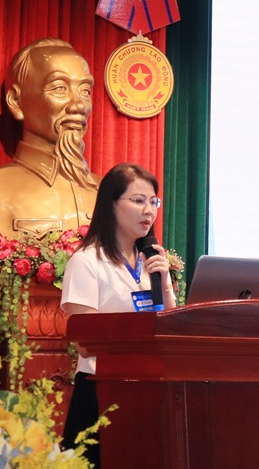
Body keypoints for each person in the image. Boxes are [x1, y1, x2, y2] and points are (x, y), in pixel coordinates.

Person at [60, 162, 176, 466]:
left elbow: (172, 328)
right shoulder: (87, 262)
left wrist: (165, 283)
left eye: (153, 202)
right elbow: (85, 342)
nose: (148, 211)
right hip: (101, 390)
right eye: (138, 201)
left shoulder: (152, 261)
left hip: (148, 388)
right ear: (110, 204)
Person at [0, 38, 99, 239]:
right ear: (15, 102)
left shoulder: (111, 195)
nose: (79, 106)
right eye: (59, 88)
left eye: (85, 91)